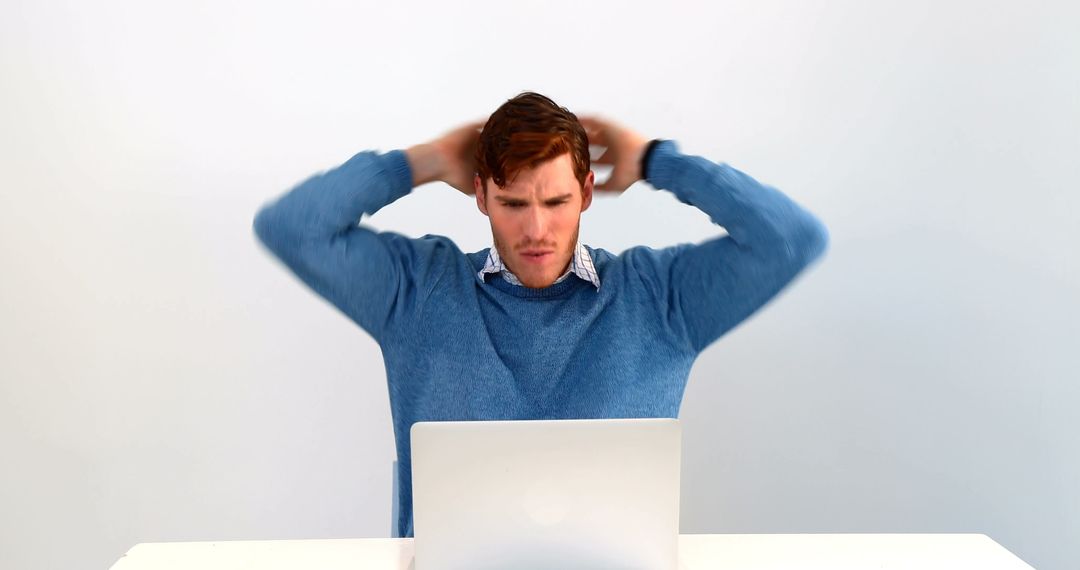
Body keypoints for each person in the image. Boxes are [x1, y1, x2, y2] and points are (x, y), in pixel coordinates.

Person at [253, 91, 828, 538]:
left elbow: (790, 240)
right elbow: (292, 228)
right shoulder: (416, 290)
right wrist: (422, 161)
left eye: (555, 202)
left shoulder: (660, 297)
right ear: (480, 195)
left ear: (585, 191)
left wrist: (659, 162)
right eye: (512, 204)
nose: (535, 231)